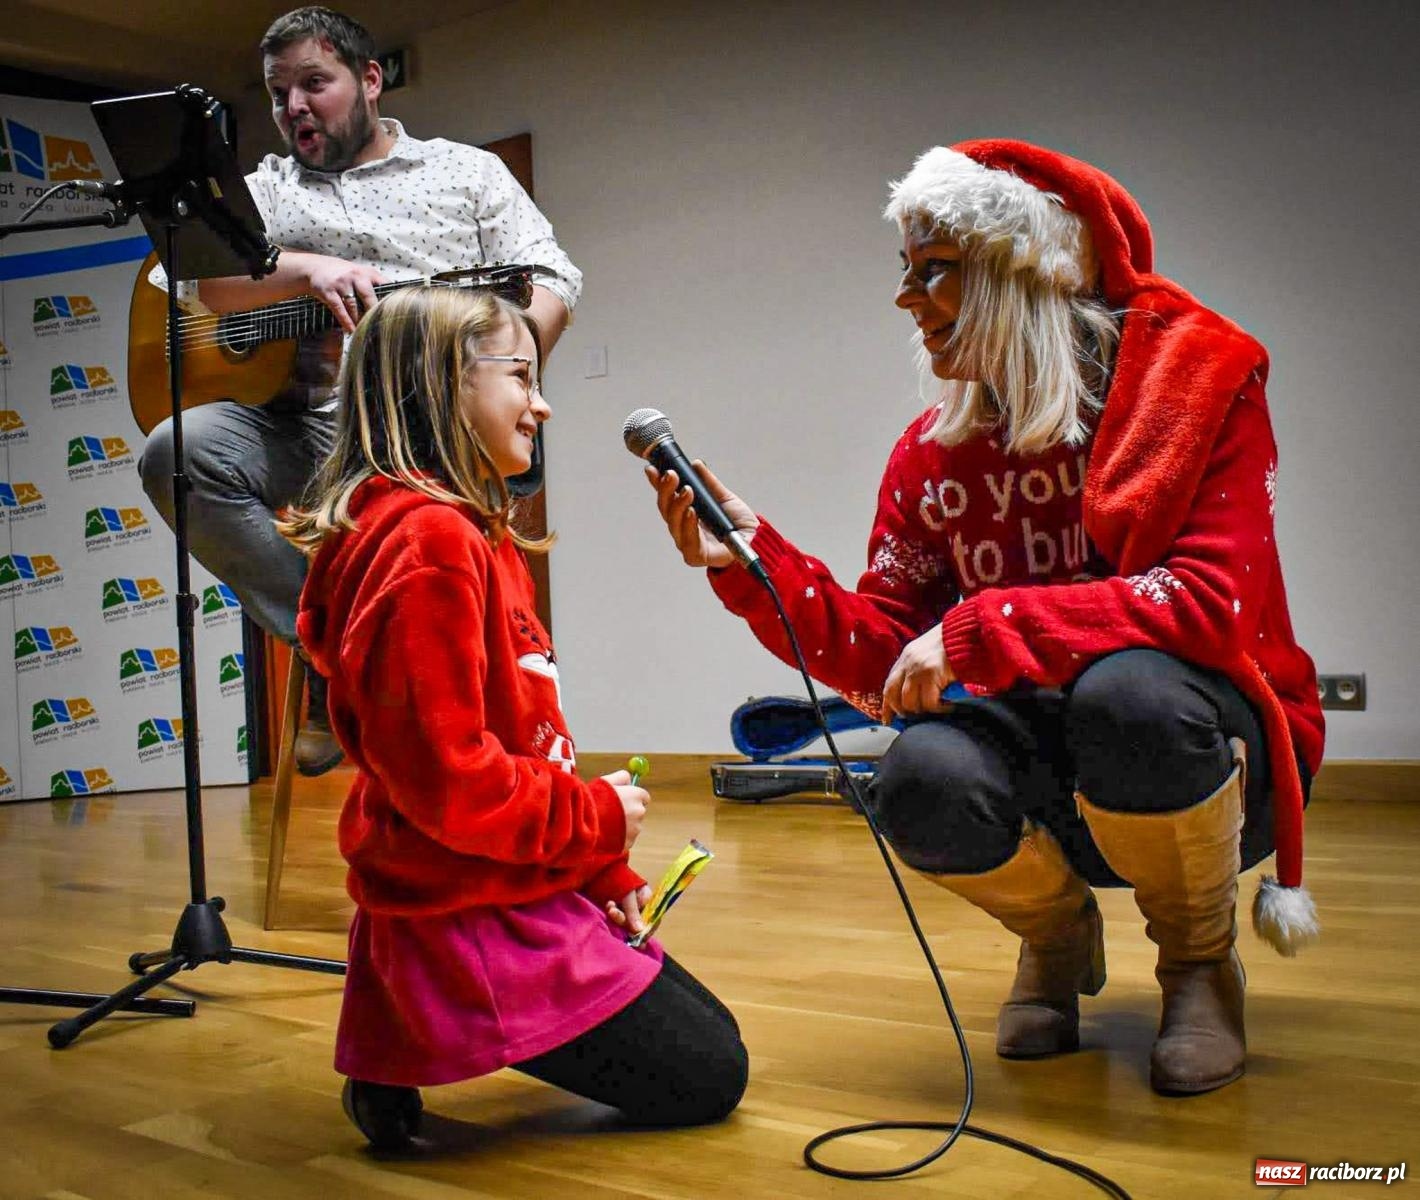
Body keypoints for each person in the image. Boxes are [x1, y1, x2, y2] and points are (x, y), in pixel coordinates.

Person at [647, 139, 1323, 1096]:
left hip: (1205, 755)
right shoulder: (929, 452)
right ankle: (1054, 938)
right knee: (915, 777)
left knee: (1128, 695)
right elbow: (885, 654)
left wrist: (980, 626)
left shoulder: (1195, 396)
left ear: (1024, 274)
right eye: (904, 271)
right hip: (1039, 766)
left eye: (933, 273)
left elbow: (1204, 603)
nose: (904, 299)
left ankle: (1199, 963)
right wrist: (757, 567)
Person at [279, 286, 746, 1148]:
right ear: (438, 387)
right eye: (520, 376)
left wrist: (599, 866)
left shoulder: (469, 531)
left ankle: (393, 1051)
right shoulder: (429, 545)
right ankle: (418, 1032)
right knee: (710, 1071)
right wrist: (596, 818)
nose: (543, 402)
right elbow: (451, 780)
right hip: (466, 901)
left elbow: (523, 739)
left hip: (498, 872)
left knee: (705, 1037)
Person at [140, 6, 582, 775]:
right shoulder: (265, 194)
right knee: (176, 452)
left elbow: (552, 279)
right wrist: (306, 271)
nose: (294, 107)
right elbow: (177, 279)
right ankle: (331, 645)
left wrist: (506, 367)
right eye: (280, 93)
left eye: (316, 83)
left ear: (371, 79)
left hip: (430, 439)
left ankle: (390, 692)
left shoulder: (466, 173)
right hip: (305, 431)